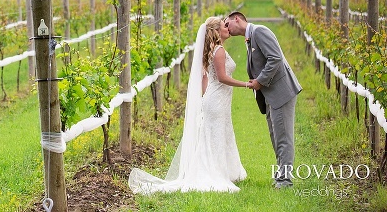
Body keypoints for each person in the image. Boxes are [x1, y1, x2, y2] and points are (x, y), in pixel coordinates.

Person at [128, 17, 248, 194]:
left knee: (216, 136)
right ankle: (214, 173)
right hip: (217, 101)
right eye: (224, 26)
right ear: (216, 31)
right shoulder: (219, 51)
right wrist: (246, 84)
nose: (228, 28)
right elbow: (222, 78)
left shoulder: (214, 50)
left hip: (216, 100)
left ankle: (223, 170)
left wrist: (205, 99)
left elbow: (206, 78)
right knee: (214, 136)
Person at [225, 11, 302, 189]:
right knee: (276, 137)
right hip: (270, 94)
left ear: (237, 19)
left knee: (283, 137)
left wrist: (260, 81)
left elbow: (275, 58)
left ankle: (285, 181)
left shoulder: (259, 32)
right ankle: (281, 176)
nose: (227, 29)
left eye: (227, 24)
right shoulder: (250, 37)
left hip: (281, 92)